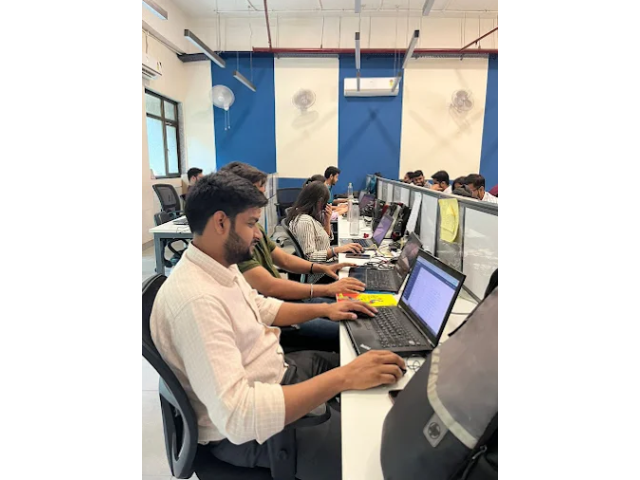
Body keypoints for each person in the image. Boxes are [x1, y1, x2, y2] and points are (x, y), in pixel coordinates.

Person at [151, 172, 406, 479]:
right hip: (254, 434)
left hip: (278, 372)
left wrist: (328, 308)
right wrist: (343, 378)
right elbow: (239, 416)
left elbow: (263, 307)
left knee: (379, 370)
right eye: (250, 224)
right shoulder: (197, 300)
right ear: (220, 223)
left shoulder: (218, 266)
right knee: (379, 459)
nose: (259, 236)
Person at [287, 182, 364, 283]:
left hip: (325, 265)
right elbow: (310, 257)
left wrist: (327, 221)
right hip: (319, 274)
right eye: (325, 203)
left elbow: (323, 242)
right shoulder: (305, 221)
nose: (327, 206)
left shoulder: (311, 217)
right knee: (358, 274)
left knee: (357, 266)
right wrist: (336, 250)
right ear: (319, 201)